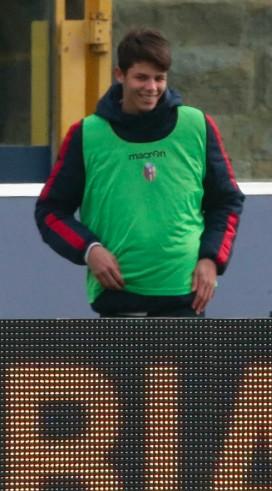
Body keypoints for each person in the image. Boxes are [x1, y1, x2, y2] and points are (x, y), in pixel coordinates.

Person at [35, 28, 243, 317]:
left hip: (186, 300)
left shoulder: (198, 126)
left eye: (160, 78)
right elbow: (50, 212)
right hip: (118, 299)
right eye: (141, 77)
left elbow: (227, 201)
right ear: (119, 75)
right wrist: (90, 250)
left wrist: (211, 259)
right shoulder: (86, 135)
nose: (152, 87)